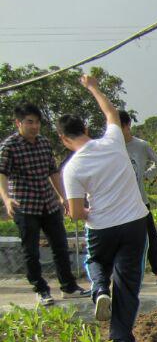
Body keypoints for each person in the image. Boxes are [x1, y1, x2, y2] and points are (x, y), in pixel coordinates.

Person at [60, 75, 149, 342]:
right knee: (127, 285)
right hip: (135, 223)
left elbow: (74, 213)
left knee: (95, 262)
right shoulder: (113, 141)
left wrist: (85, 211)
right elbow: (111, 112)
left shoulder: (71, 169)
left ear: (63, 139)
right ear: (86, 129)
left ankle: (99, 289)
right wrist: (92, 87)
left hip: (101, 227)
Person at [0, 103, 90, 305]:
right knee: (30, 250)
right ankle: (41, 289)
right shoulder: (9, 146)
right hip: (25, 205)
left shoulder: (43, 143)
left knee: (60, 246)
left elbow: (53, 172)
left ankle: (68, 286)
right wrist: (6, 198)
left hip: (48, 204)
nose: (34, 126)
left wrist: (63, 197)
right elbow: (2, 174)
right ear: (19, 123)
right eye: (29, 122)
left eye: (37, 122)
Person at [119, 110, 157, 284]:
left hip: (140, 200)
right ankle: (125, 273)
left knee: (150, 235)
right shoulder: (110, 146)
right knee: (123, 239)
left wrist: (146, 175)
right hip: (119, 203)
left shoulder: (141, 145)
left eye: (120, 126)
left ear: (127, 126)